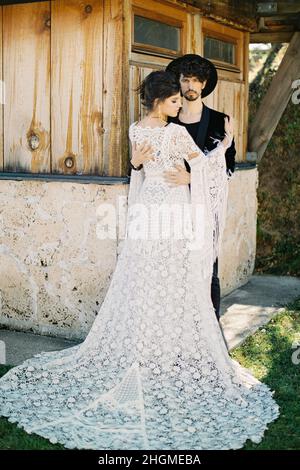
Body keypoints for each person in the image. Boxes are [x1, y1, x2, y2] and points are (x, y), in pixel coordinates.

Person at [0, 71, 279, 450]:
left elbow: (142, 170)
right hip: (172, 213)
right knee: (170, 277)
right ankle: (160, 347)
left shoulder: (136, 130)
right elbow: (208, 166)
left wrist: (148, 166)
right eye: (176, 101)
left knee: (149, 275)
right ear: (160, 101)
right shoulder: (177, 134)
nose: (181, 106)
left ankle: (150, 344)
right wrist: (212, 156)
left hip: (149, 212)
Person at [132, 54, 236, 321]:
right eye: (185, 80)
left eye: (195, 81)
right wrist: (135, 164)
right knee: (173, 268)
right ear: (176, 85)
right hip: (170, 206)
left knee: (207, 267)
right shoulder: (169, 119)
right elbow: (145, 162)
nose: (190, 86)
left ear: (203, 85)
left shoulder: (219, 121)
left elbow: (228, 167)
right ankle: (175, 322)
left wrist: (193, 180)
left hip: (202, 204)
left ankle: (210, 326)